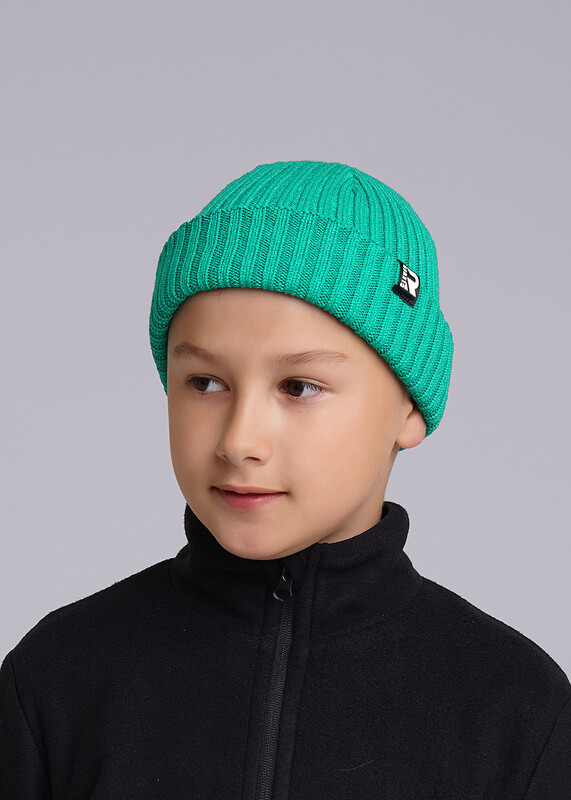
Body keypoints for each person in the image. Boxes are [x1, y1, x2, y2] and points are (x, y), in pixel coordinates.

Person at [1, 160, 569, 798]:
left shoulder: (517, 715)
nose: (239, 440)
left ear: (411, 406)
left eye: (299, 387)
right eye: (205, 382)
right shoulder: (56, 681)